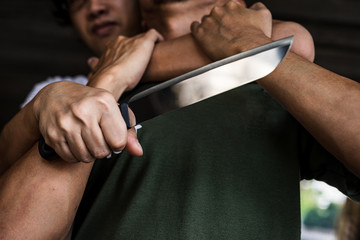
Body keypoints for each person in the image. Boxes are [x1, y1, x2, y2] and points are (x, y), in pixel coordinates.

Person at [0, 0, 359, 239]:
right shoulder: (73, 98)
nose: (94, 6)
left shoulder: (275, 84)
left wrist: (250, 44)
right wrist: (108, 80)